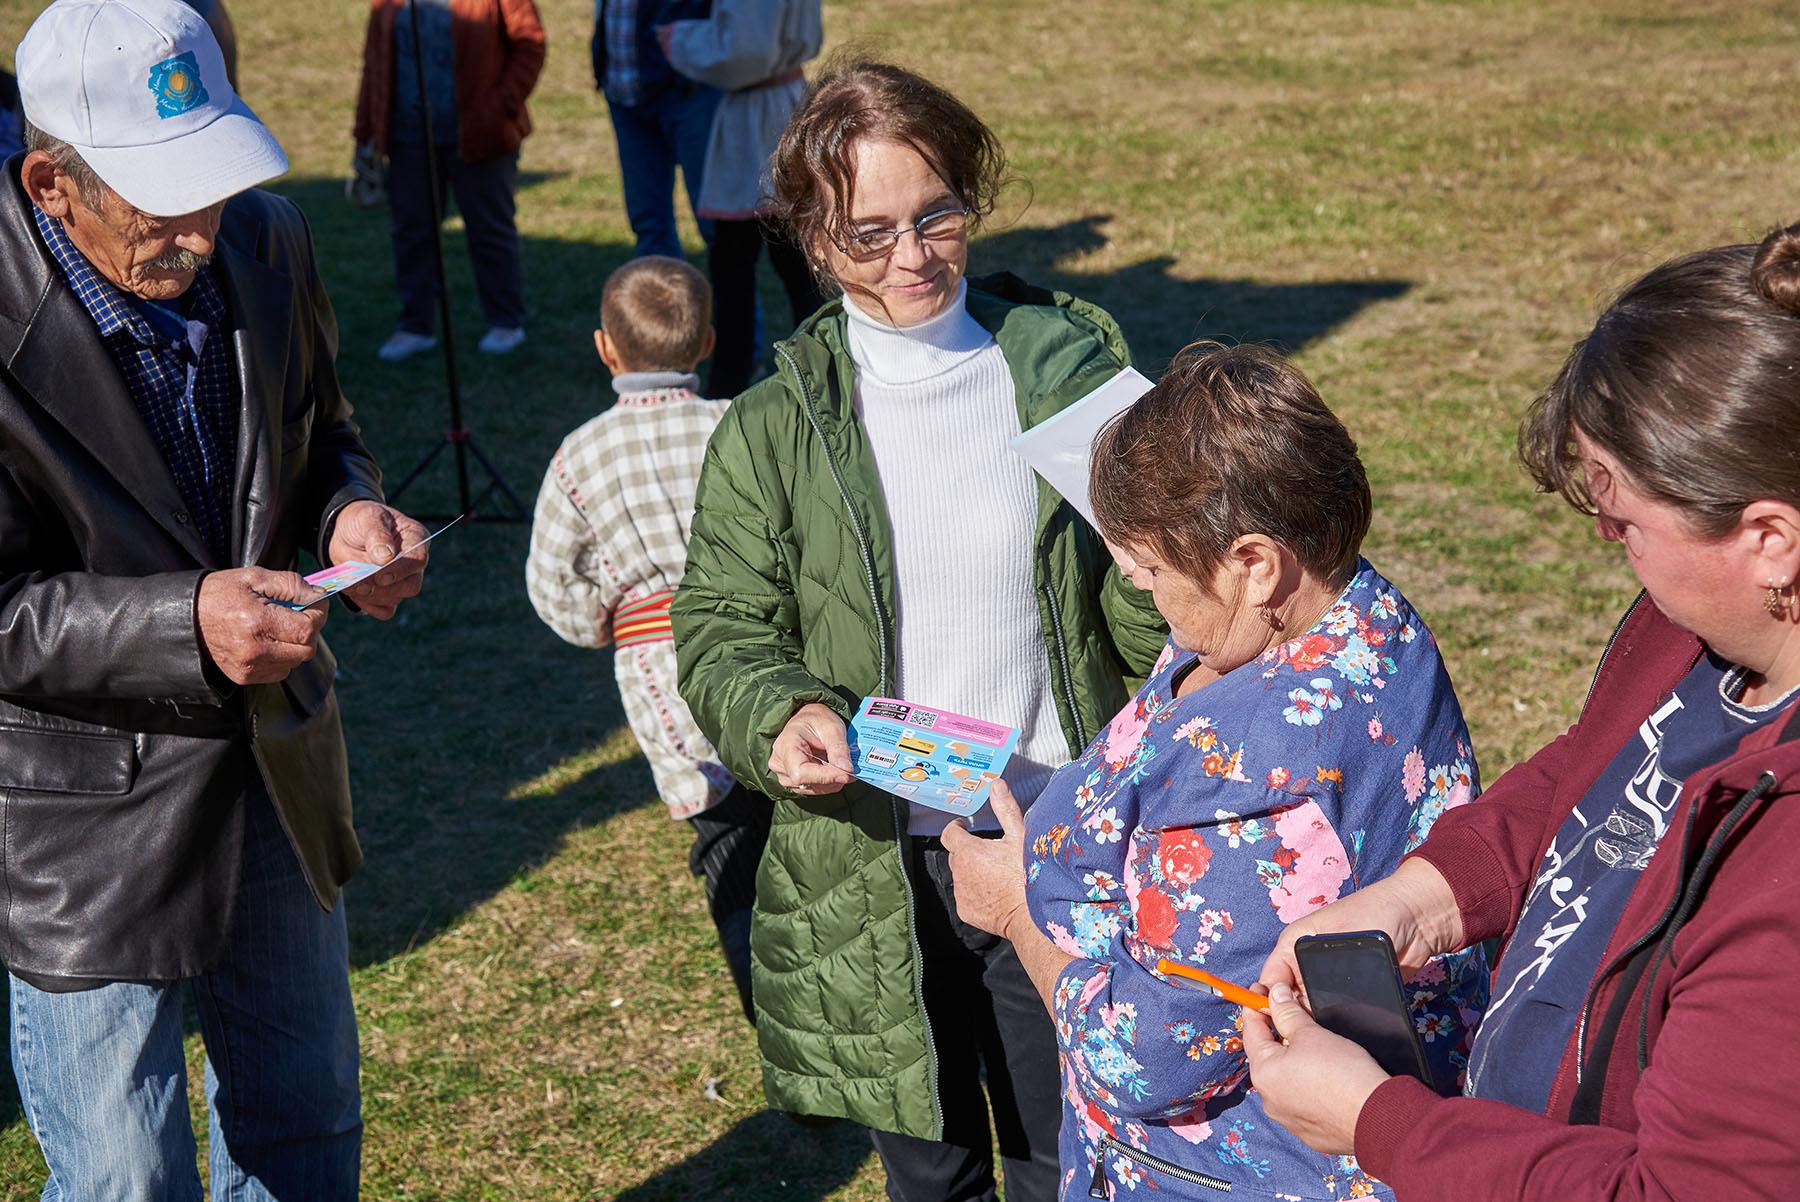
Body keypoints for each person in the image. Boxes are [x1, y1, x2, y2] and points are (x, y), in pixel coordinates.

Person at [671, 57, 1168, 1202]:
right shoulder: (769, 428)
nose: (910, 258)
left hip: (1054, 834)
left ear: (969, 195)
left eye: (935, 215)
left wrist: (1154, 574)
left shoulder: (1065, 373)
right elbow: (722, 621)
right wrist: (781, 710)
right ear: (811, 236)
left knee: (1068, 1160)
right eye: (869, 232)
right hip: (872, 858)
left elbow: (1157, 615)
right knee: (931, 1175)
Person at [1241, 222, 1800, 1202]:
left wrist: (1385, 1124)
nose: (1606, 538)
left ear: (1770, 539)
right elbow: (1597, 766)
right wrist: (1426, 893)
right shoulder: (1702, 630)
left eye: (1624, 521)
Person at [2, 0, 430, 1195]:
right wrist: (184, 622)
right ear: (49, 182)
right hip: (80, 823)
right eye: (161, 197)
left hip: (272, 773)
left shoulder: (270, 241)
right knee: (124, 1177)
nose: (200, 226)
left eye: (216, 182)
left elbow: (321, 431)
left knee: (307, 1130)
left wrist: (348, 511)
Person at [942, 342, 1487, 1201]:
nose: (1149, 598)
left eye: (1151, 573)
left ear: (1254, 561)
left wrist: (1016, 911)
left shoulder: (1265, 783)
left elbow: (1147, 1060)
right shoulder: (1340, 611)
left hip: (1222, 1171)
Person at [525, 254, 766, 1021]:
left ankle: (774, 1016)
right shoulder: (742, 426)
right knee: (790, 816)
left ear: (606, 348)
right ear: (706, 345)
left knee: (722, 836)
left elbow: (551, 583)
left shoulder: (579, 457)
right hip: (765, 648)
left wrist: (599, 619)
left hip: (662, 673)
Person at [353, 0, 545, 361]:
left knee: (490, 228)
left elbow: (529, 43)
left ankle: (506, 321)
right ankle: (415, 326)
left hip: (480, 132)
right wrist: (366, 129)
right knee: (412, 230)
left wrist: (499, 105)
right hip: (407, 134)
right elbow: (375, 61)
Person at [659, 0, 827, 397]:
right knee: (785, 259)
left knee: (761, 260)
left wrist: (677, 39)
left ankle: (744, 380)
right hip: (777, 105)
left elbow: (745, 51)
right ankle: (815, 365)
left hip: (761, 120)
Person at [594, 0, 719, 259]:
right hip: (624, 92)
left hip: (686, 92)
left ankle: (736, 299)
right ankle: (660, 297)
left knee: (714, 220)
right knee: (648, 220)